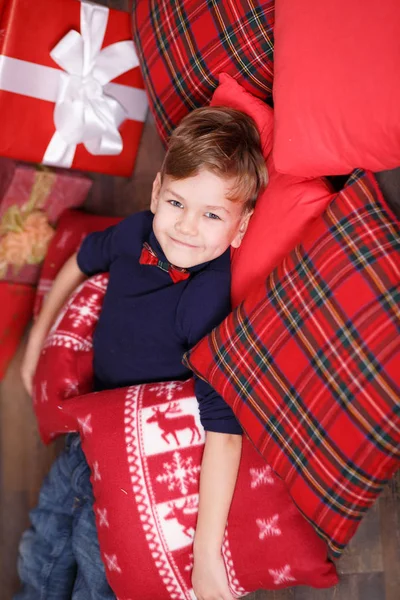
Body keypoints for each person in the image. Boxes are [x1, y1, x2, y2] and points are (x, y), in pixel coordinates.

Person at [17, 106, 268, 600]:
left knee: (97, 577)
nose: (187, 227)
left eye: (212, 214)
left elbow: (225, 430)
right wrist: (37, 344)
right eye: (176, 202)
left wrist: (205, 557)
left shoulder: (204, 304)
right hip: (83, 439)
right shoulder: (137, 233)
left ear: (240, 229)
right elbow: (83, 260)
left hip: (135, 468)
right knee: (40, 552)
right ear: (156, 192)